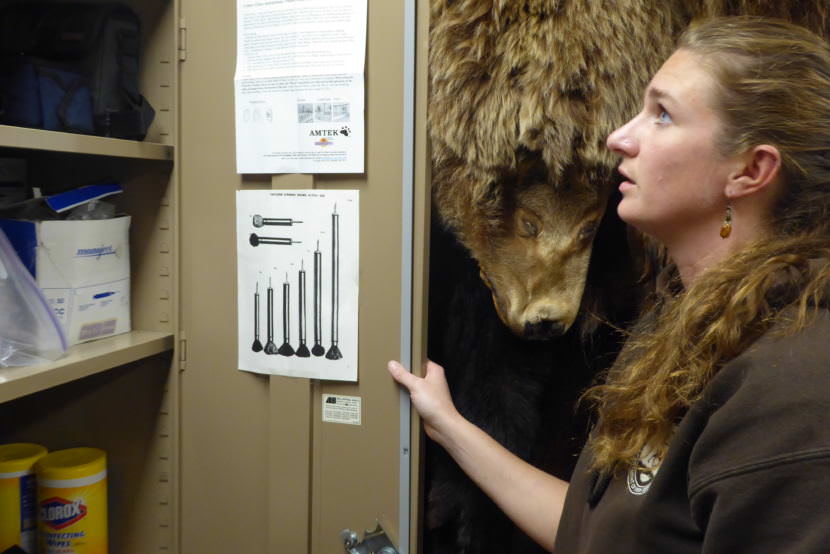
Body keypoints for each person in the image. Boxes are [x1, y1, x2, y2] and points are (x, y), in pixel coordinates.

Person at [388, 16, 830, 553]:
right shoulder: (677, 327)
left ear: (751, 169)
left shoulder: (796, 392)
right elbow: (597, 534)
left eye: (662, 116)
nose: (618, 137)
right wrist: (452, 427)